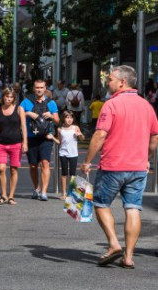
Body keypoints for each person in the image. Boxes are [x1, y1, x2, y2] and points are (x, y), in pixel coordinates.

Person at [81, 65, 158, 269]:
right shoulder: (146, 106)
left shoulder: (111, 105)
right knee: (133, 207)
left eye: (111, 79)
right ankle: (129, 256)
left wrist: (88, 160)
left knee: (101, 203)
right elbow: (154, 136)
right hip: (138, 166)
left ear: (122, 82)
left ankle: (114, 244)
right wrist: (147, 156)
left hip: (114, 165)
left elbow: (100, 135)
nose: (108, 83)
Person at [21, 79, 60, 201]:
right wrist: (28, 114)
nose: (39, 90)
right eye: (37, 87)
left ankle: (44, 192)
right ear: (34, 88)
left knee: (45, 163)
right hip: (31, 137)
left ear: (45, 89)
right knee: (33, 165)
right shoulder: (26, 102)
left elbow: (58, 121)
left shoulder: (51, 103)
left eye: (41, 87)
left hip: (45, 138)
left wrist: (52, 116)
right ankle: (36, 188)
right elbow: (19, 114)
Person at [0, 88, 28, 205]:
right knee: (1, 168)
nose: (8, 99)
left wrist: (25, 142)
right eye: (7, 97)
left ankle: (11, 196)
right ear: (3, 97)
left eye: (11, 97)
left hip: (16, 143)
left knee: (13, 169)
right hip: (1, 143)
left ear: (14, 98)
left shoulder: (19, 109)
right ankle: (3, 195)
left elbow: (23, 126)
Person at [57, 111, 84, 200]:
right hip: (63, 153)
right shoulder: (60, 129)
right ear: (63, 119)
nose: (69, 120)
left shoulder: (75, 128)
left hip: (73, 153)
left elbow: (82, 138)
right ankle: (64, 193)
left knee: (73, 174)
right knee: (64, 173)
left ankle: (72, 193)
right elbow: (59, 141)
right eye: (67, 117)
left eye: (71, 118)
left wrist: (79, 134)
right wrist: (52, 138)